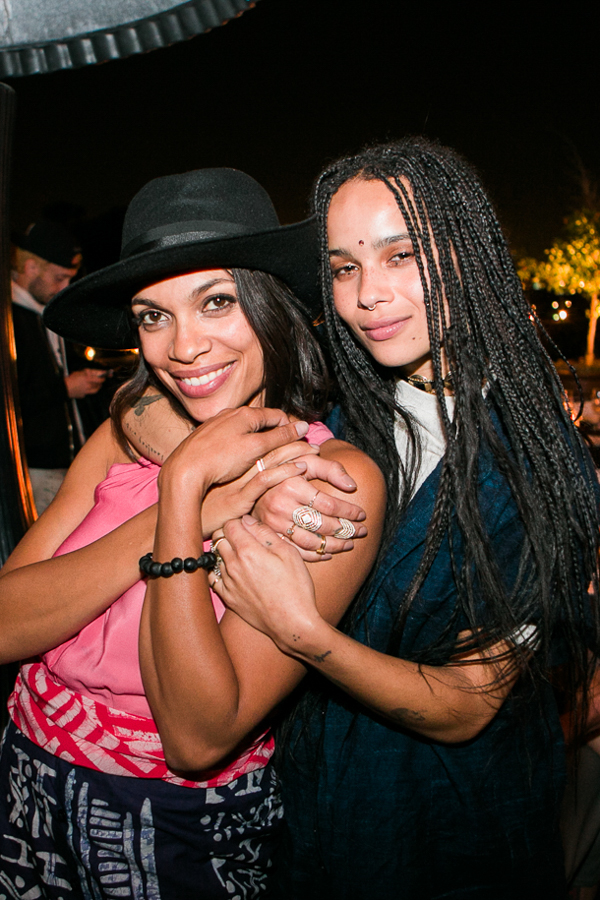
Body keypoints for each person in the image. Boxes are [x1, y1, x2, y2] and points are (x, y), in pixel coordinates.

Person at [201, 139, 600, 899]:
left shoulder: (536, 462)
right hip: (311, 816)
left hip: (452, 830)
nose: (367, 296)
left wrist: (301, 630)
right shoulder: (339, 405)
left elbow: (465, 705)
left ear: (467, 255)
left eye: (401, 255)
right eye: (344, 268)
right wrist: (258, 487)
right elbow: (164, 400)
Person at [0, 169, 384, 898]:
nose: (184, 347)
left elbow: (199, 735)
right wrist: (190, 494)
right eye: (153, 316)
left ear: (273, 305)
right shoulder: (124, 434)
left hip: (175, 833)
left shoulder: (327, 482)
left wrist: (182, 494)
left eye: (216, 302)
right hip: (25, 785)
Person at [11, 220, 107, 513]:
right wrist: (65, 388)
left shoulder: (51, 314)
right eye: (59, 278)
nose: (65, 288)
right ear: (31, 268)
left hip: (71, 461)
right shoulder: (9, 322)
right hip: (35, 467)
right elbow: (13, 399)